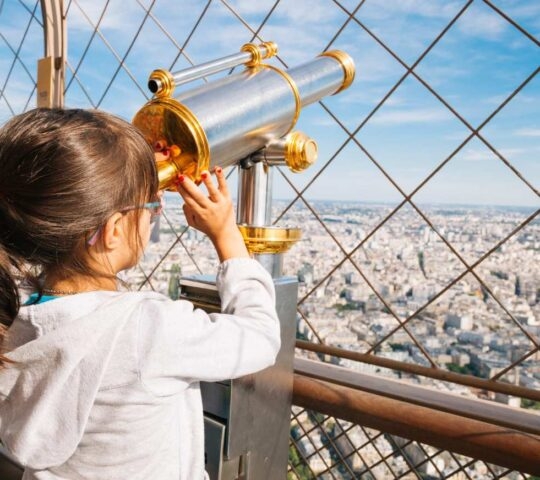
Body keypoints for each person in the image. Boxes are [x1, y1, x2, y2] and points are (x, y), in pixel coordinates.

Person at [0, 108, 280, 480]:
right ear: (113, 229)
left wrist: (130, 166)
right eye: (152, 206)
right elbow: (260, 337)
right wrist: (227, 235)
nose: (155, 212)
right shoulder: (147, 331)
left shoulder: (12, 310)